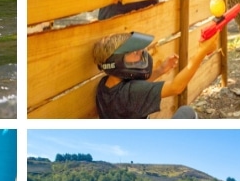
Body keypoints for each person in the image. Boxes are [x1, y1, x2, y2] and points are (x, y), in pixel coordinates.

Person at [91, 31, 219, 118]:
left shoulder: (105, 85)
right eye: (135, 53)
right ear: (116, 61)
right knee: (187, 112)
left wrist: (160, 70)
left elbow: (137, 90)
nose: (141, 56)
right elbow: (176, 87)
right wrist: (202, 52)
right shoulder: (130, 92)